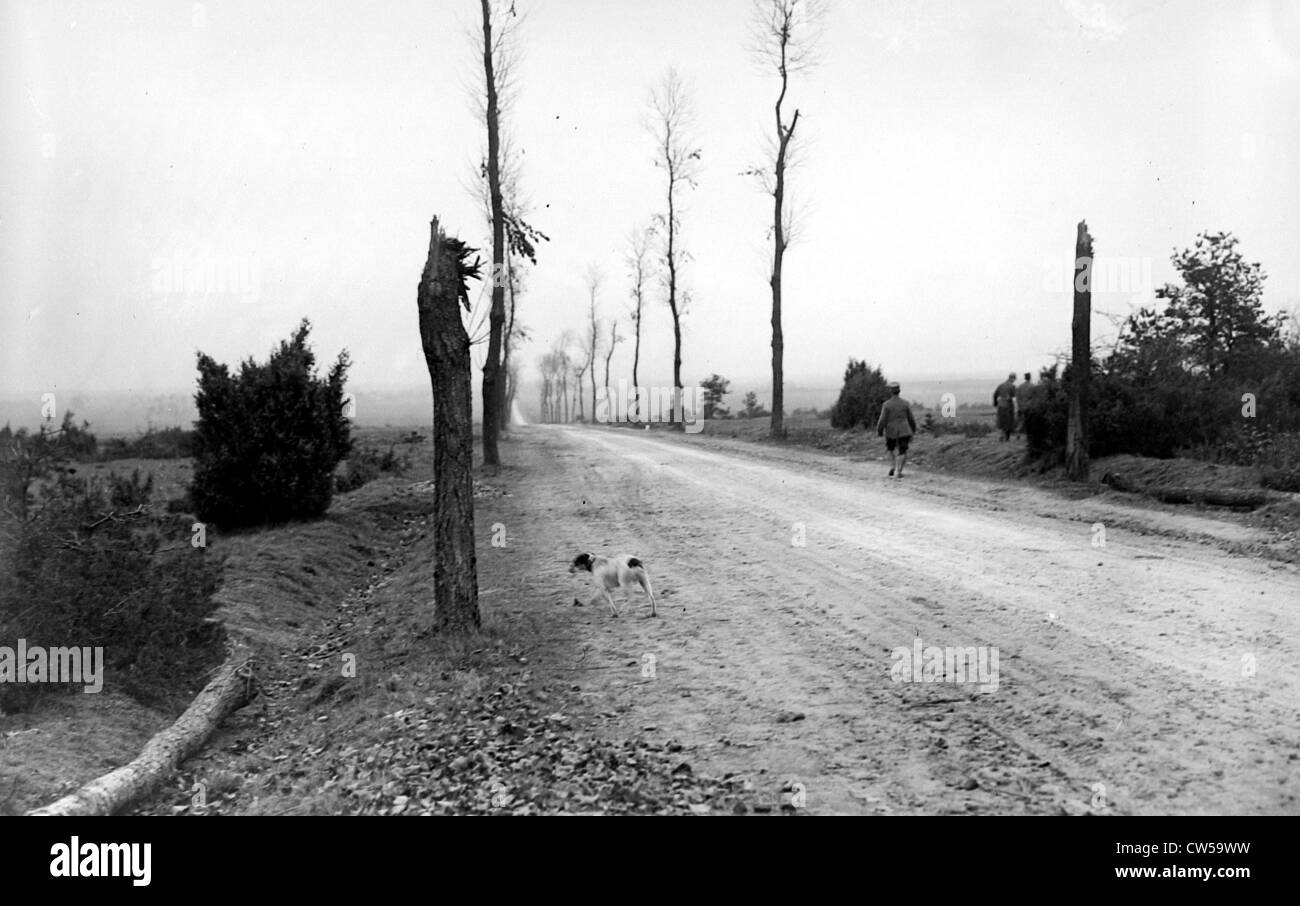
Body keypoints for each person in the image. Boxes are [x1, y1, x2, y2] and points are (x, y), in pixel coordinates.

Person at [876, 381, 917, 478]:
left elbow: (882, 420)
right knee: (902, 450)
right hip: (904, 430)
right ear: (899, 391)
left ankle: (893, 465)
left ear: (890, 391)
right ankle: (899, 471)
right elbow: (911, 418)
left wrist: (880, 430)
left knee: (891, 449)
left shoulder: (886, 405)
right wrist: (913, 430)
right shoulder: (905, 403)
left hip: (890, 431)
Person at [994, 372, 1017, 442]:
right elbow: (1014, 396)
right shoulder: (1012, 386)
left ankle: (1001, 435)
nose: (1014, 380)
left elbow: (995, 394)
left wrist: (995, 403)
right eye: (1014, 379)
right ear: (1012, 378)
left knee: (1002, 421)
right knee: (1009, 422)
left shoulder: (1001, 385)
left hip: (1000, 405)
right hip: (1008, 406)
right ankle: (1007, 438)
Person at [1015, 372, 1033, 436]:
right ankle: (1028, 435)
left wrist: (1019, 405)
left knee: (1021, 421)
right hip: (1029, 407)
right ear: (1030, 378)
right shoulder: (1032, 386)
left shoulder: (1020, 386)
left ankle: (1018, 432)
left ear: (1025, 378)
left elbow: (1017, 397)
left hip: (1021, 406)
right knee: (1029, 422)